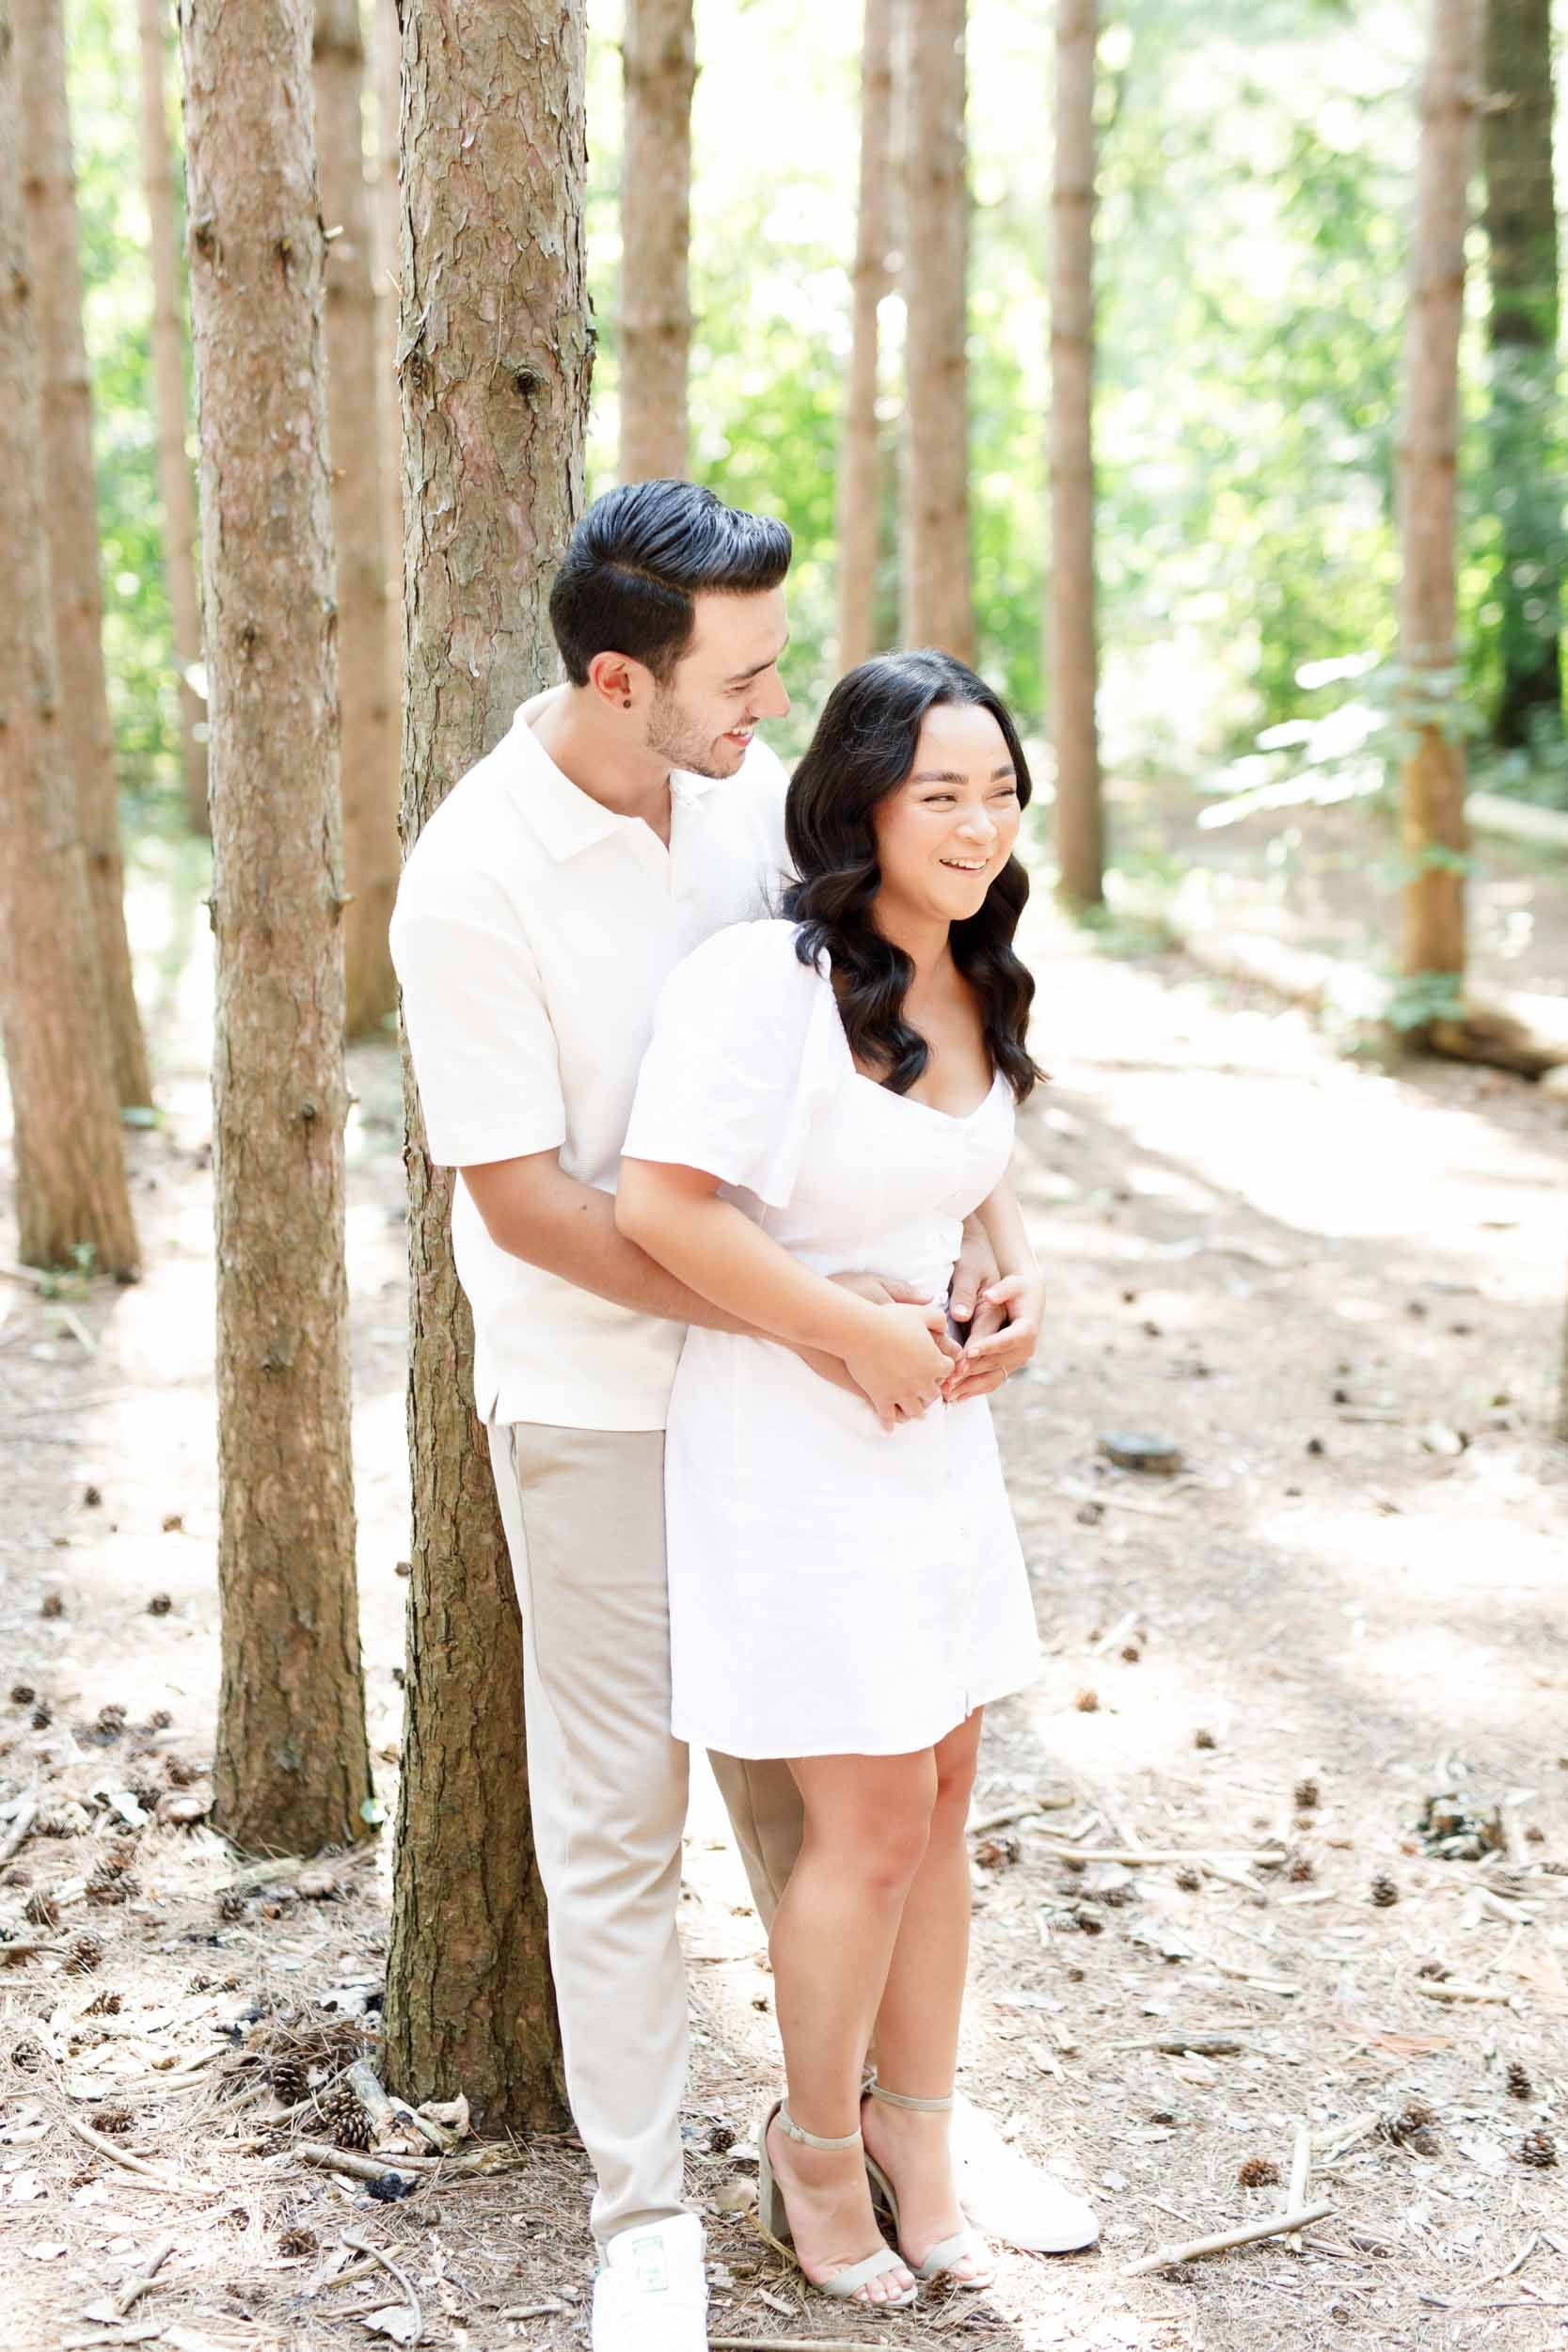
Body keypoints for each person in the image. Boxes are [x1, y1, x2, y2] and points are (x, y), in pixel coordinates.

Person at [389, 484, 1049, 2352]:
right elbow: (521, 1202)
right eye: (741, 672)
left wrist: (972, 1243)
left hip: (802, 1393)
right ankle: (643, 2210)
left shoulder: (747, 800)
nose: (774, 700)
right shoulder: (475, 877)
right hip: (604, 1392)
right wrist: (824, 1323)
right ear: (621, 677)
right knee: (617, 1814)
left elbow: (894, 1043)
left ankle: (866, 2134)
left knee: (849, 1797)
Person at [617, 648, 1053, 2310]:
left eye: (1000, 791)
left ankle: (918, 2138)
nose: (976, 821)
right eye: (941, 791)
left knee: (945, 1805)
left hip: (938, 1447)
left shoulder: (983, 976)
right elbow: (665, 1207)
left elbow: (970, 1168)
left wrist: (1017, 1280)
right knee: (865, 1820)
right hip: (791, 1441)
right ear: (860, 797)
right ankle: (809, 2150)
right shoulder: (765, 981)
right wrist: (843, 1339)